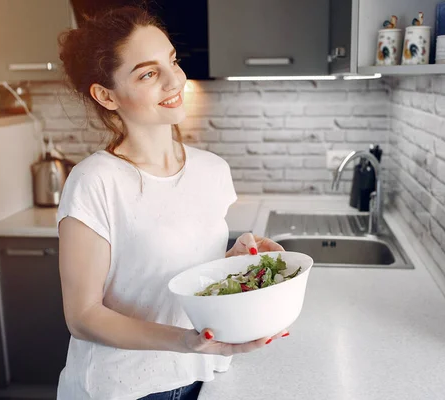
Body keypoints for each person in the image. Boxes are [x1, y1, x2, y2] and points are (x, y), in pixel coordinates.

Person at [56, 5, 289, 400]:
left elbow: (182, 278)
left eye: (172, 61)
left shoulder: (212, 170)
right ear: (105, 95)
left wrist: (236, 262)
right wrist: (185, 341)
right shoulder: (95, 182)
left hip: (202, 376)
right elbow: (83, 316)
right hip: (124, 388)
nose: (175, 79)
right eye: (148, 73)